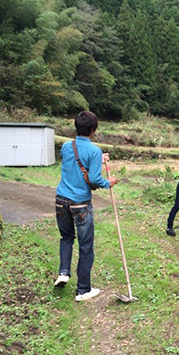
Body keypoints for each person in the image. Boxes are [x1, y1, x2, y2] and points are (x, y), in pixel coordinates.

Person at [54, 111, 119, 302]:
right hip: (80, 204)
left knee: (66, 237)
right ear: (93, 129)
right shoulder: (94, 151)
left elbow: (77, 162)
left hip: (61, 200)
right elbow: (93, 178)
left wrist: (99, 158)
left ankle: (64, 273)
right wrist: (109, 182)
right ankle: (83, 290)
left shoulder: (66, 146)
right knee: (86, 246)